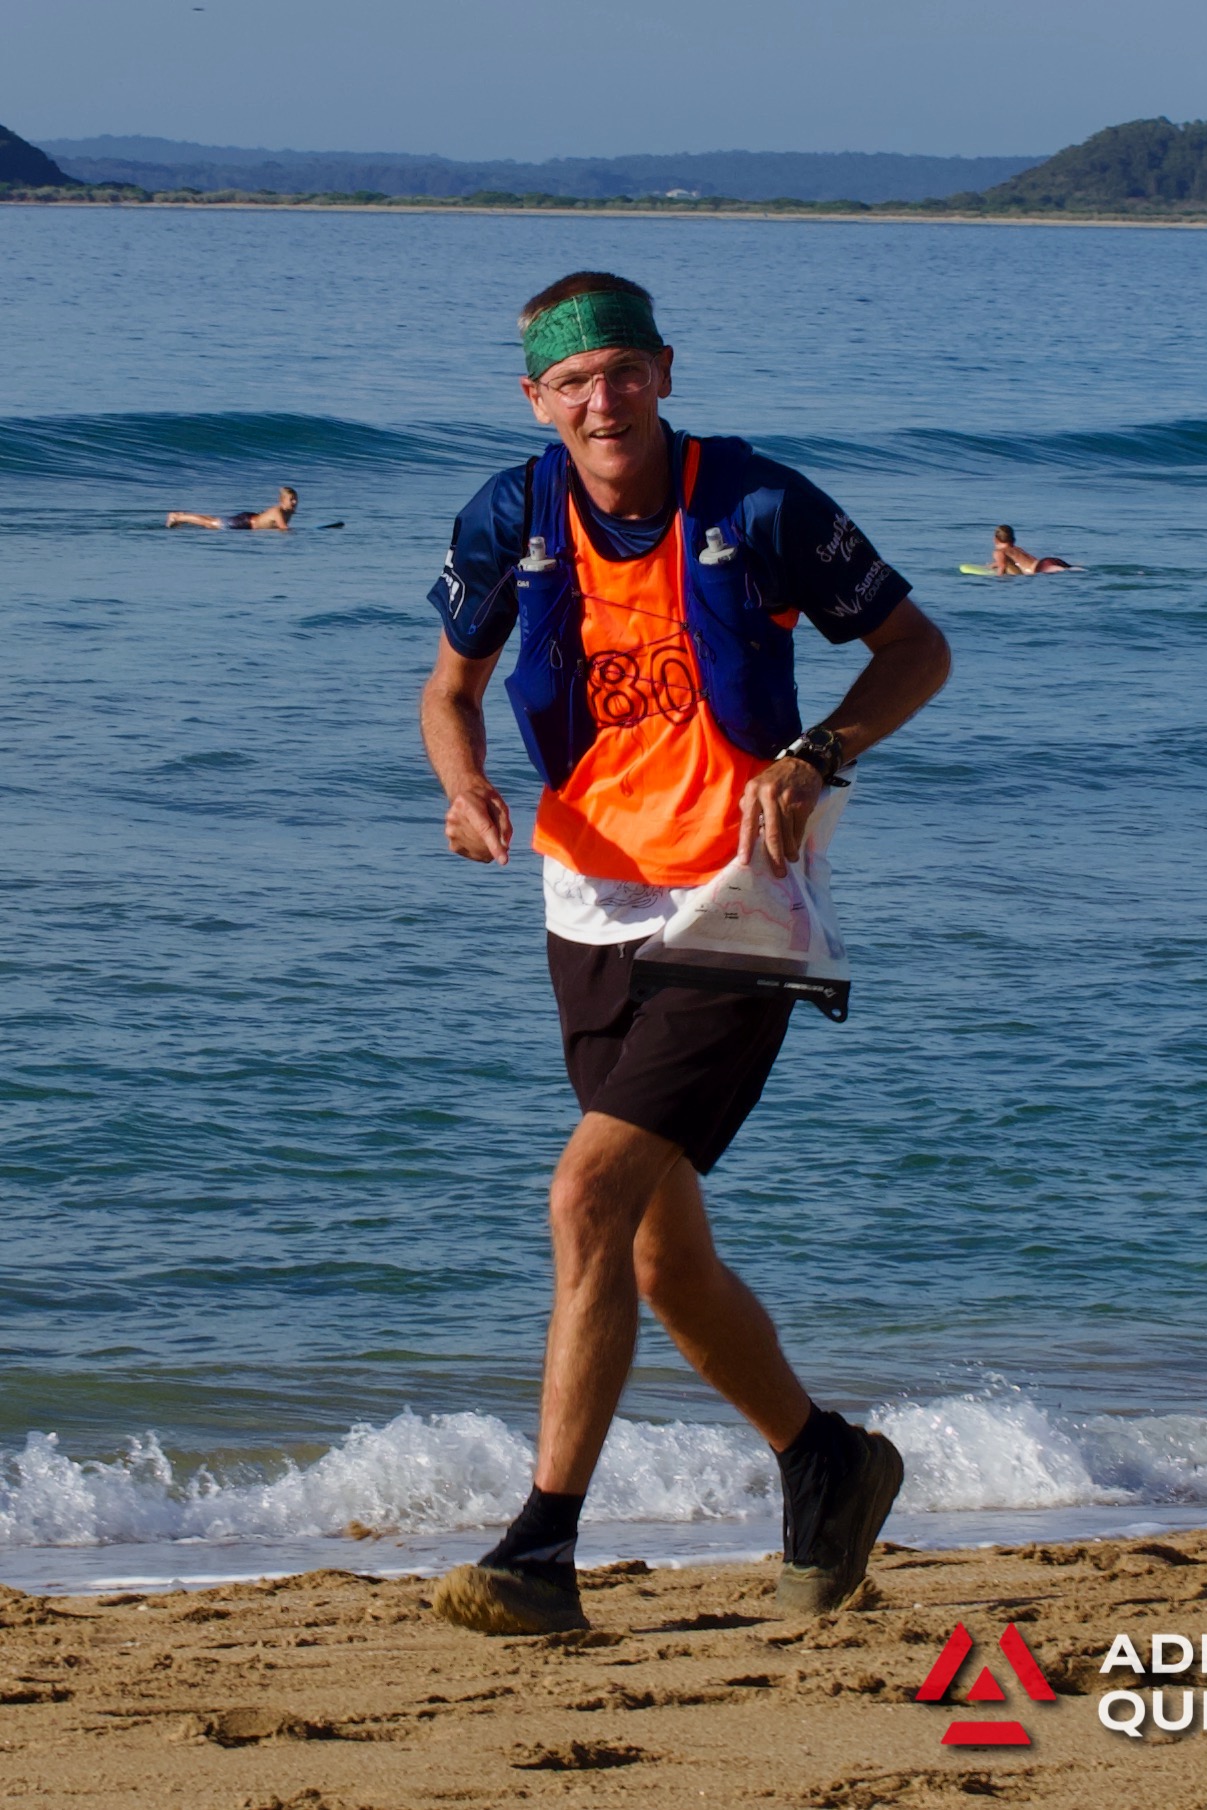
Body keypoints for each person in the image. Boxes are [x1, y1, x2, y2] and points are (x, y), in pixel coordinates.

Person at [416, 271, 951, 1633]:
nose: (603, 399)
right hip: (585, 902)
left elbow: (915, 646)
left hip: (737, 903)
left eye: (623, 370)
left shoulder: (761, 506)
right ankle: (825, 1458)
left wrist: (819, 748)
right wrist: (464, 784)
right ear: (535, 399)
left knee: (584, 1195)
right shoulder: (512, 516)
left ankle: (541, 1547)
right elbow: (450, 687)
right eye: (571, 382)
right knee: (657, 1257)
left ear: (664, 371)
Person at [167, 486, 297, 531]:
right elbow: (283, 529)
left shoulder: (288, 511)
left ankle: (182, 516)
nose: (294, 502)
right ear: (281, 501)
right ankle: (177, 517)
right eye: (291, 499)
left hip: (249, 521)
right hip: (244, 523)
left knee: (213, 520)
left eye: (295, 499)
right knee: (210, 524)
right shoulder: (278, 511)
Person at [989, 523, 1070, 574]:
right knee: (1073, 570)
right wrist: (992, 565)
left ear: (995, 539)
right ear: (1013, 540)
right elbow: (1015, 562)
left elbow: (1002, 566)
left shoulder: (999, 552)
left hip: (1039, 569)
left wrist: (998, 582)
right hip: (1046, 562)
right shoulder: (1017, 549)